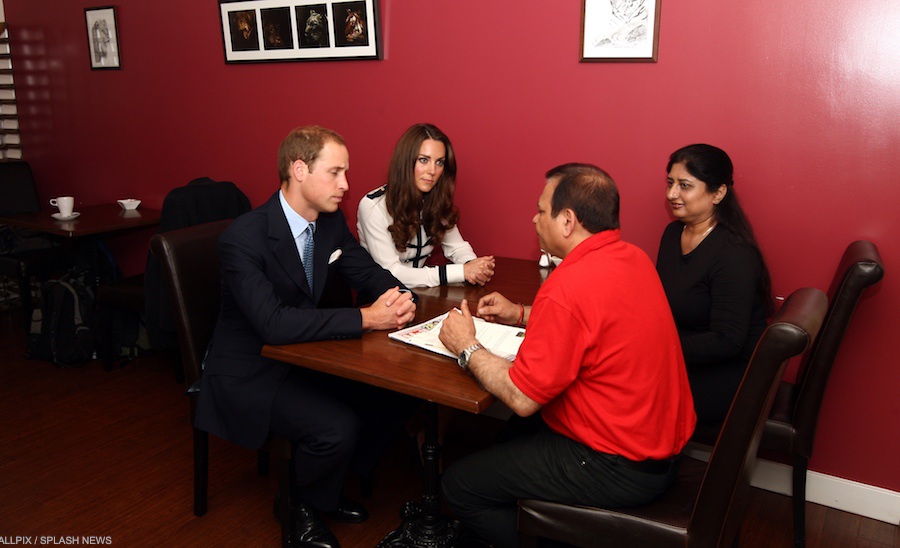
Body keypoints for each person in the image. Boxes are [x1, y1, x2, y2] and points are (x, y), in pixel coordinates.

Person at [438, 163, 696, 548]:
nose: (534, 218)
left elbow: (523, 398)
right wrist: (522, 314)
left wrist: (466, 346)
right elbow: (595, 325)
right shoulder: (633, 258)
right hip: (660, 449)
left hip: (618, 465)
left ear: (567, 221)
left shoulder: (568, 285)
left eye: (541, 210)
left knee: (457, 487)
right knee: (508, 438)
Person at [194, 126, 419, 548]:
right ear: (299, 169)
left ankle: (326, 489)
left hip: (305, 357)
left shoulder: (329, 224)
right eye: (335, 172)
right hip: (249, 369)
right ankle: (297, 504)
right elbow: (274, 324)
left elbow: (367, 272)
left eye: (346, 173)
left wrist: (400, 297)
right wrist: (367, 319)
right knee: (336, 426)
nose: (346, 185)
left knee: (396, 396)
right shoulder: (243, 238)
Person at [656, 144, 773, 426]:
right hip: (685, 357)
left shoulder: (734, 253)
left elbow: (727, 341)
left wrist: (659, 351)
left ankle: (643, 466)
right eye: (670, 183)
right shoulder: (673, 234)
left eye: (685, 185)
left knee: (620, 386)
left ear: (718, 193)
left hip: (726, 375)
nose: (672, 194)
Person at [357, 123, 495, 289]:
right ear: (406, 162)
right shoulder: (373, 206)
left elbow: (457, 247)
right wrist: (462, 271)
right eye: (424, 160)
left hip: (422, 295)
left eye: (439, 162)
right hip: (380, 300)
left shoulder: (435, 201)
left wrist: (475, 267)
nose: (432, 170)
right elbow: (392, 272)